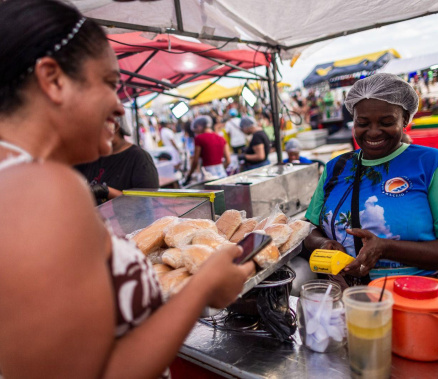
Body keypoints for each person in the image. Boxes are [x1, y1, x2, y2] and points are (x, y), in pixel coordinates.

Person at [0, 1, 254, 378]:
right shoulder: (45, 187)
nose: (120, 107)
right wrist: (203, 291)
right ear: (53, 79)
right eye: (108, 83)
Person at [304, 73, 438, 287]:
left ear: (405, 119)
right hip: (343, 302)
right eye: (362, 122)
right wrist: (323, 243)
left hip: (412, 299)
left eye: (386, 122)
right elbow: (308, 227)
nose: (374, 132)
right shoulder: (336, 168)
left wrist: (386, 248)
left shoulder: (432, 164)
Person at [76, 115, 160, 205]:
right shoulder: (91, 157)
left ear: (114, 127)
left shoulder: (139, 158)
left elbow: (147, 202)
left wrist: (107, 191)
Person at [185, 115, 231, 183]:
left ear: (199, 126)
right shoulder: (221, 138)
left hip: (208, 175)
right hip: (222, 173)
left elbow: (195, 160)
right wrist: (220, 168)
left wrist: (189, 175)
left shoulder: (199, 138)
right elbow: (228, 161)